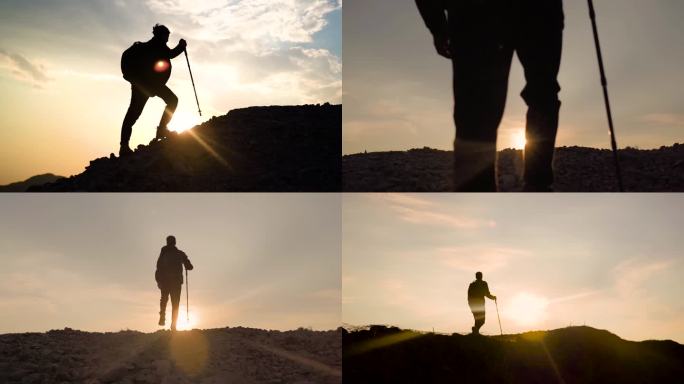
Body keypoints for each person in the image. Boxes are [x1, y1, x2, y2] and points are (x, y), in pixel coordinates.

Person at [416, 0, 564, 191]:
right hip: (537, 12)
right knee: (542, 94)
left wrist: (436, 24)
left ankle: (478, 196)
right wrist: (436, 23)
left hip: (478, 13)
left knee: (477, 110)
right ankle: (537, 186)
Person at [119, 24, 187, 157]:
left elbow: (169, 54)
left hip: (145, 85)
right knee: (171, 101)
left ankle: (124, 145)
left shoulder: (151, 46)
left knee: (133, 114)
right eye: (166, 36)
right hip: (149, 85)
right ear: (160, 35)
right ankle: (160, 130)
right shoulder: (157, 46)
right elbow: (171, 54)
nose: (167, 40)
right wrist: (181, 46)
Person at [155, 235, 193, 331]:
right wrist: (186, 265)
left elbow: (158, 267)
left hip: (165, 281)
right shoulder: (180, 253)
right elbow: (190, 266)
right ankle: (173, 325)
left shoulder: (163, 253)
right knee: (175, 304)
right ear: (175, 242)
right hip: (176, 282)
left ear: (167, 242)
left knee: (164, 299)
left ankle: (162, 316)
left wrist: (158, 280)